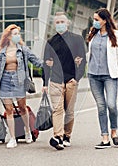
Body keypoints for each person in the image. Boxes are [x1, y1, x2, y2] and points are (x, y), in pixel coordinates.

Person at [87, 8, 118, 149]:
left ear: (105, 20)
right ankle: (105, 137)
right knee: (101, 106)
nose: (94, 22)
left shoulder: (116, 35)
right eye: (94, 19)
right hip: (93, 75)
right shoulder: (92, 34)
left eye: (97, 20)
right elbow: (90, 54)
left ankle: (114, 132)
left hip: (110, 76)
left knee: (111, 105)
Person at [42, 12, 86, 150]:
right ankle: (58, 137)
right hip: (55, 81)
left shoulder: (77, 39)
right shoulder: (50, 42)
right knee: (57, 110)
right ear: (54, 25)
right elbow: (46, 63)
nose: (60, 24)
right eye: (57, 22)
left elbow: (83, 61)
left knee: (70, 111)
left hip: (71, 81)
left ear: (68, 23)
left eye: (62, 22)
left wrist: (76, 79)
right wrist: (44, 83)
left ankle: (67, 135)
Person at [0, 24, 43, 149]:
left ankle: (27, 131)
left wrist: (48, 64)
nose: (18, 36)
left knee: (22, 107)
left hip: (19, 80)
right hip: (5, 80)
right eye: (15, 34)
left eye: (18, 34)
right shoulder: (1, 51)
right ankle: (12, 138)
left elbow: (36, 60)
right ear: (9, 36)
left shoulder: (23, 49)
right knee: (9, 109)